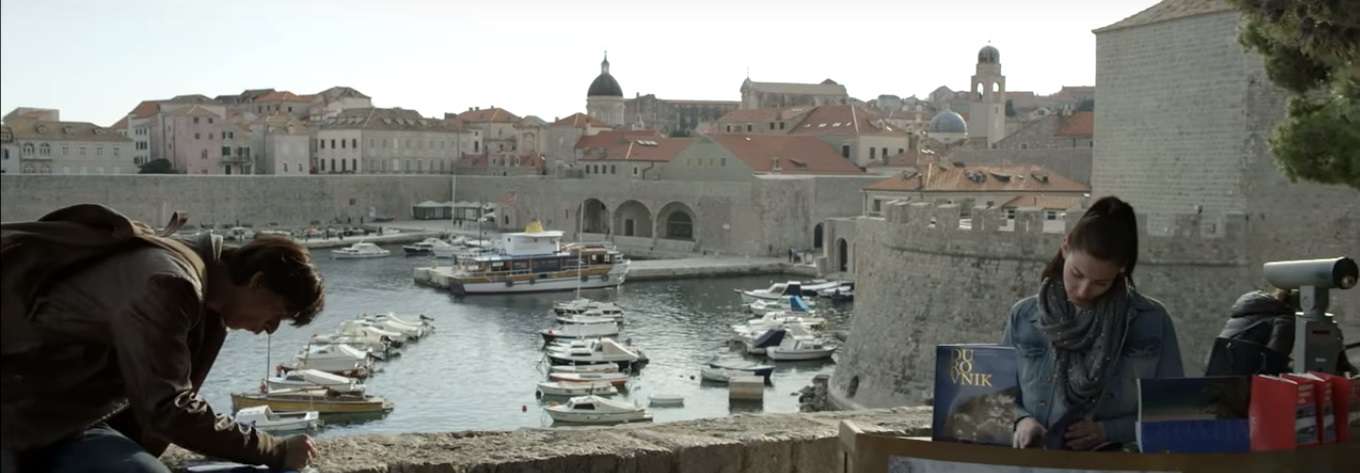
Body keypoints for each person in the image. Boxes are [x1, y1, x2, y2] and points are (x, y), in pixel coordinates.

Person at [0, 204, 326, 472]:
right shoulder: (170, 284)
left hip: (64, 416)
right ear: (257, 283)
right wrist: (273, 450)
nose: (270, 329)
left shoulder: (202, 298)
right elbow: (168, 409)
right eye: (278, 315)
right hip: (22, 416)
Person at [1000, 196, 1184, 450]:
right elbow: (998, 397)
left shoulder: (1151, 320)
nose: (1084, 290)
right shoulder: (1024, 315)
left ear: (1120, 271)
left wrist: (1108, 431)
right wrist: (1022, 421)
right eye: (1076, 273)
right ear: (1065, 247)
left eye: (1101, 283)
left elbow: (1172, 412)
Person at [1209, 288, 1355, 375]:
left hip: (1221, 374)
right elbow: (1273, 362)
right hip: (1244, 382)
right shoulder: (1285, 321)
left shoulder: (1254, 309)